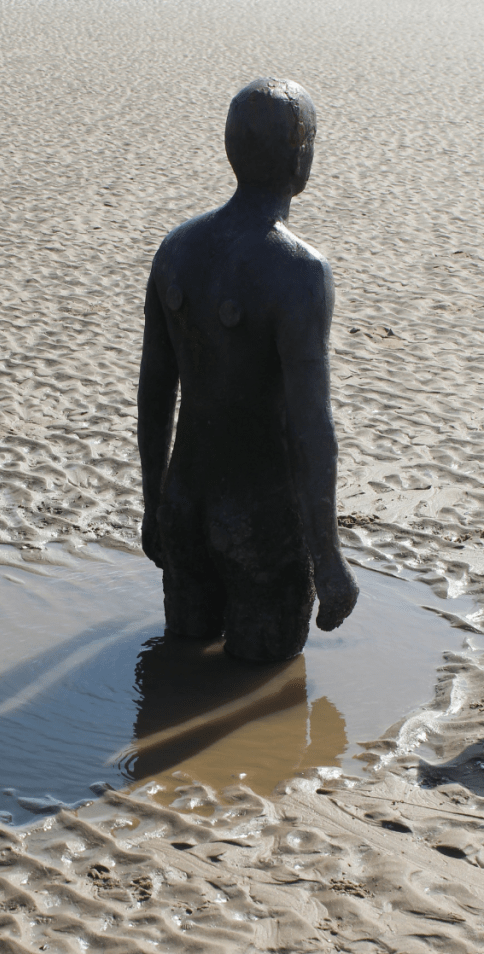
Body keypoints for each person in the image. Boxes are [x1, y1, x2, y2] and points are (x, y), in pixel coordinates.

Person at [137, 77, 358, 663]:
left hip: (185, 502)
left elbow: (154, 391)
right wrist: (329, 561)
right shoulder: (301, 271)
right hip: (260, 520)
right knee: (260, 687)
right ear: (300, 159)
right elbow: (313, 426)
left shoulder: (176, 249)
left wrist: (154, 503)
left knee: (178, 662)